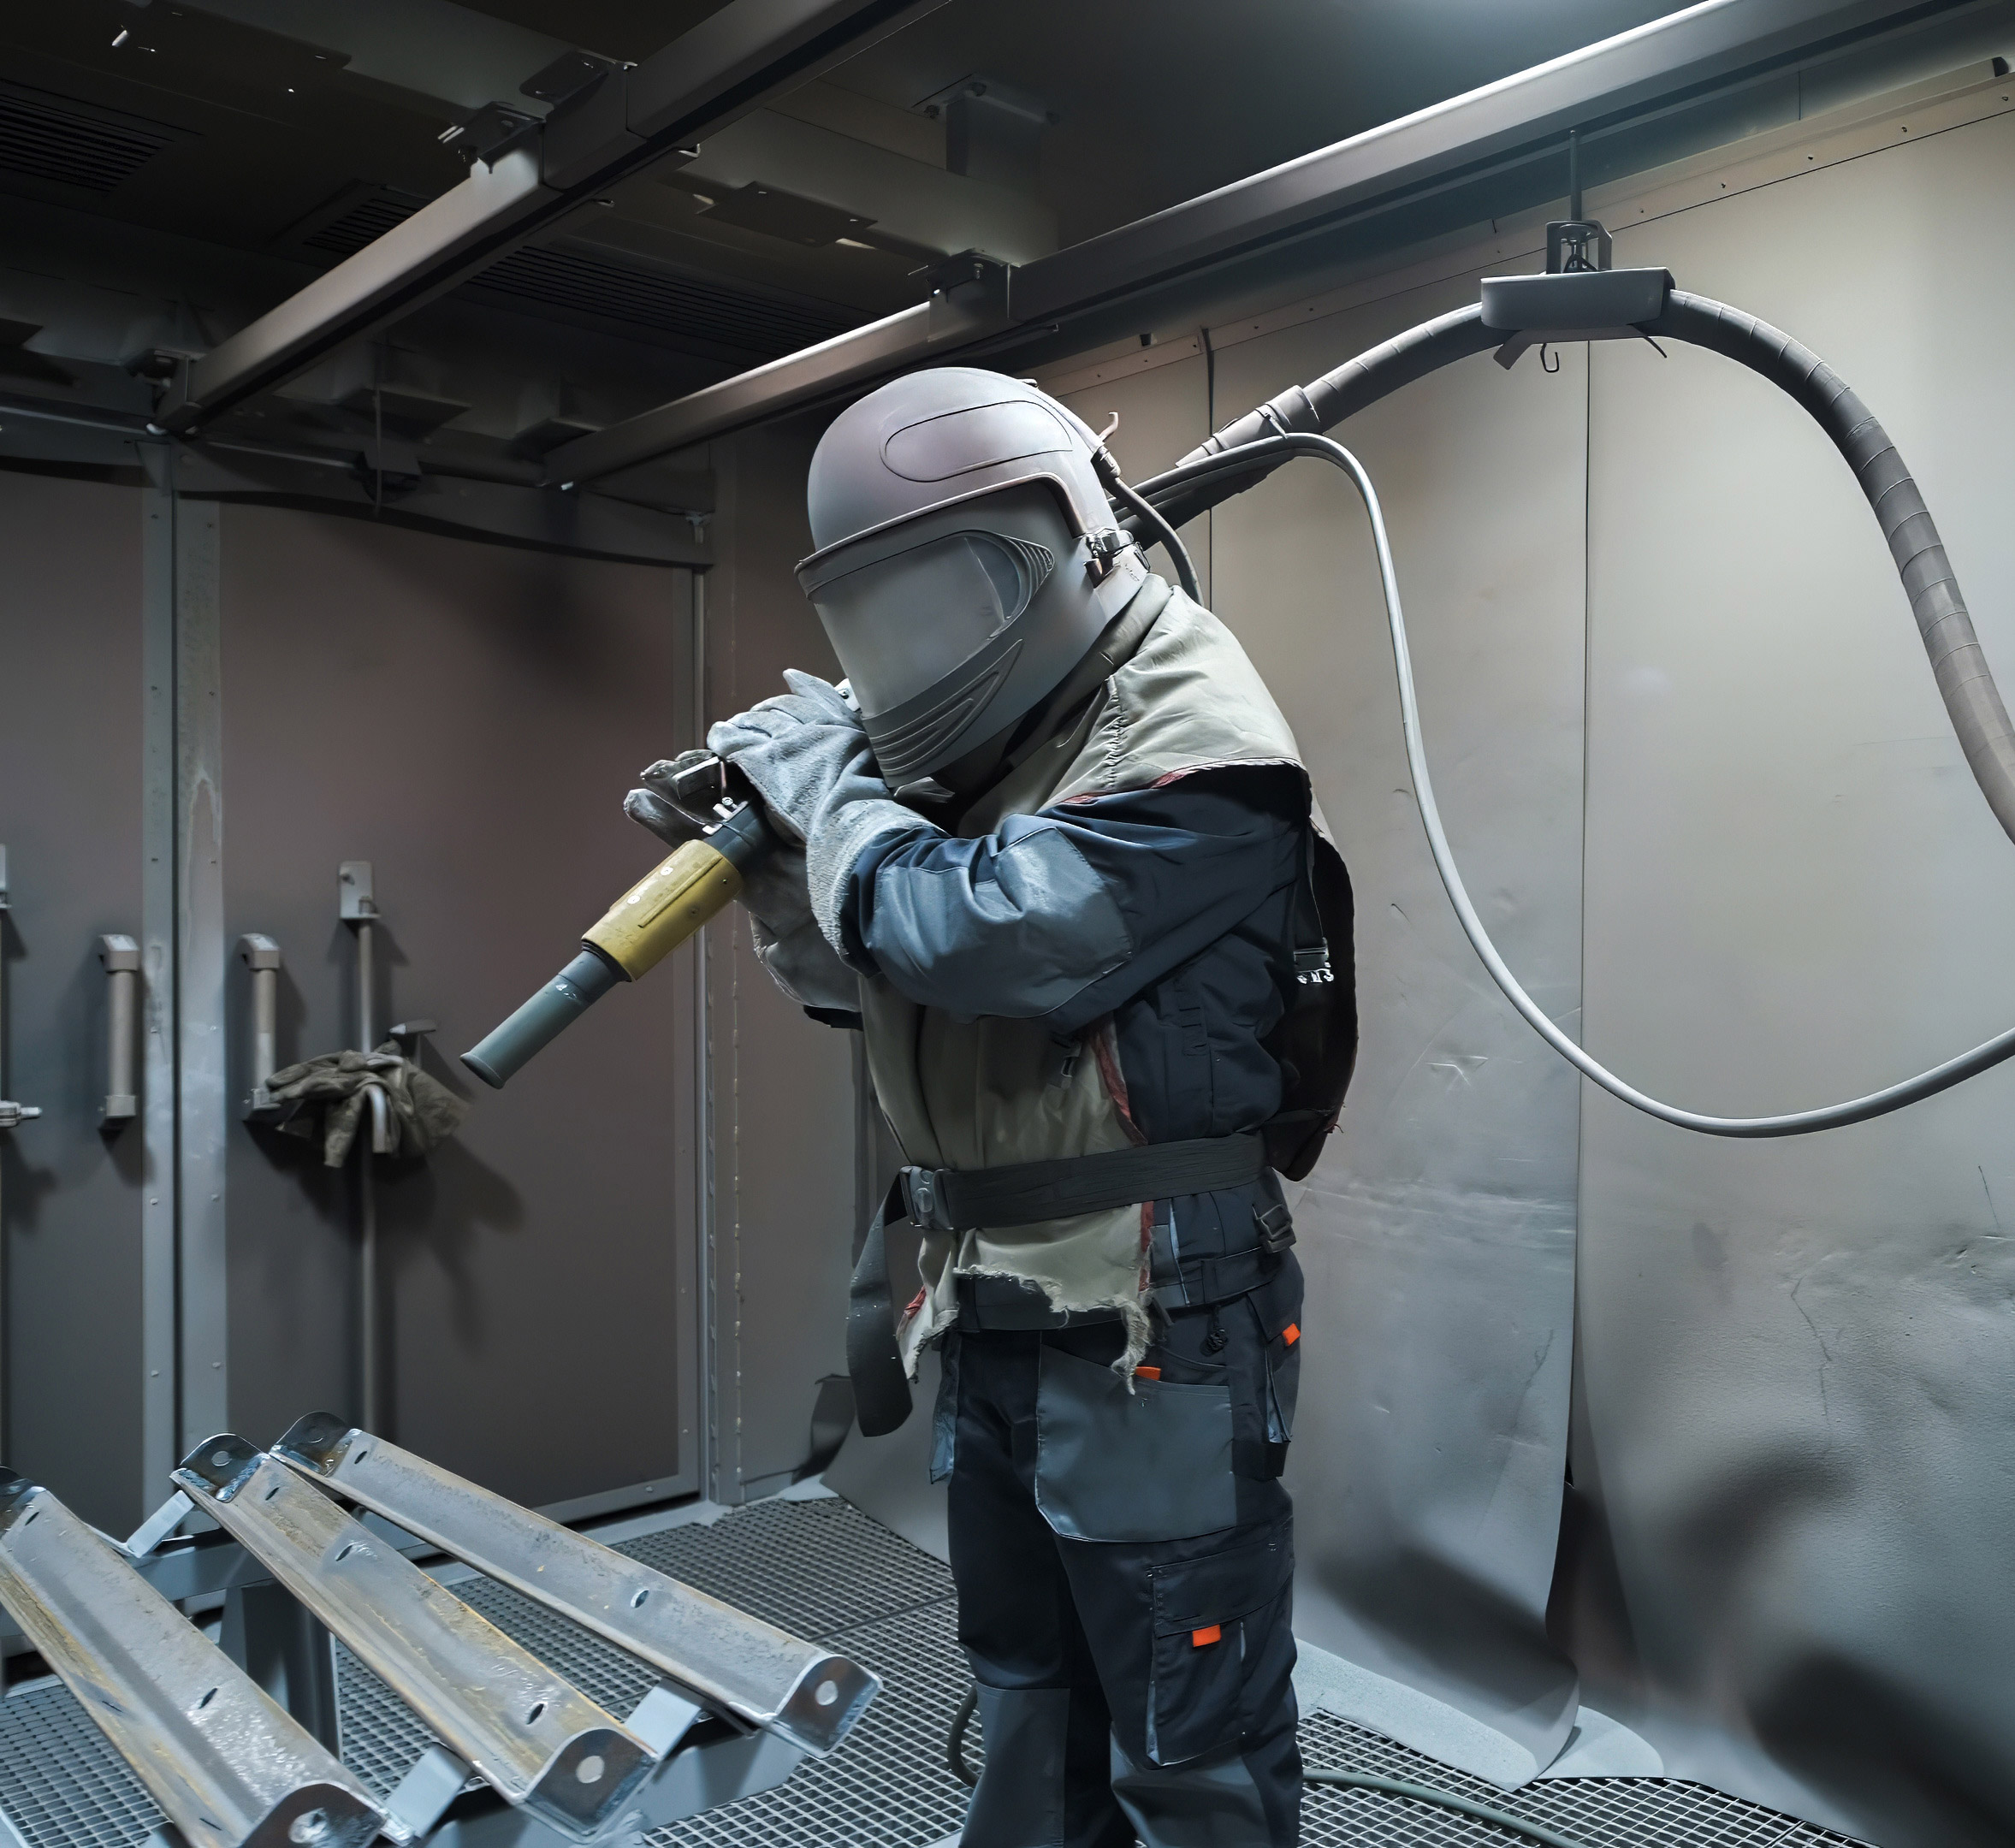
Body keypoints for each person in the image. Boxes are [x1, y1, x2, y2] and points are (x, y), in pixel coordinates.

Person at [627, 369, 1354, 1848]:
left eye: (955, 598)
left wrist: (835, 798)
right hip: (1002, 1293)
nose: (922, 658)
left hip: (1156, 1295)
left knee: (1180, 1719)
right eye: (884, 618)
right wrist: (784, 863)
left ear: (1075, 545)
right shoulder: (1005, 747)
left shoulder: (1196, 732)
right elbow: (883, 983)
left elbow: (996, 940)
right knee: (1030, 1689)